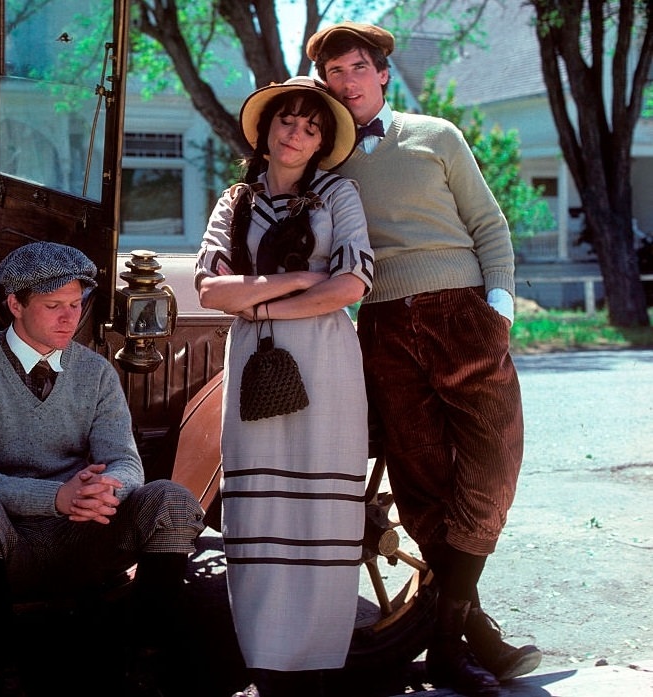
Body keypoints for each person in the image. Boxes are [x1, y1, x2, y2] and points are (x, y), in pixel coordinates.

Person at [307, 21, 543, 697]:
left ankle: (453, 637)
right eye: (333, 75)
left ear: (381, 73)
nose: (346, 83)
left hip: (461, 314)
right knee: (419, 482)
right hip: (382, 327)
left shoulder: (436, 134)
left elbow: (489, 224)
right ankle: (465, 639)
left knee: (491, 469)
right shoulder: (325, 160)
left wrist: (494, 310)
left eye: (356, 69)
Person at [0, 241, 205, 697]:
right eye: (53, 306)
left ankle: (147, 665)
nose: (69, 318)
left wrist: (105, 489)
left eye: (76, 305)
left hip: (90, 531)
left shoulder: (97, 372)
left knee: (173, 501)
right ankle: (0, 672)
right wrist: (55, 498)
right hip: (12, 543)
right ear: (16, 305)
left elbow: (125, 460)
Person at [195, 77, 373, 697]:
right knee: (260, 506)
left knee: (321, 508)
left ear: (323, 142)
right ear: (266, 129)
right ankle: (265, 664)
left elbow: (351, 284)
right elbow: (210, 289)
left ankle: (320, 663)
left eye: (312, 126)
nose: (296, 134)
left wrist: (260, 300)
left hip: (324, 359)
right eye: (287, 121)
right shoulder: (234, 201)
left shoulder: (338, 196)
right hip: (254, 361)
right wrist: (296, 279)